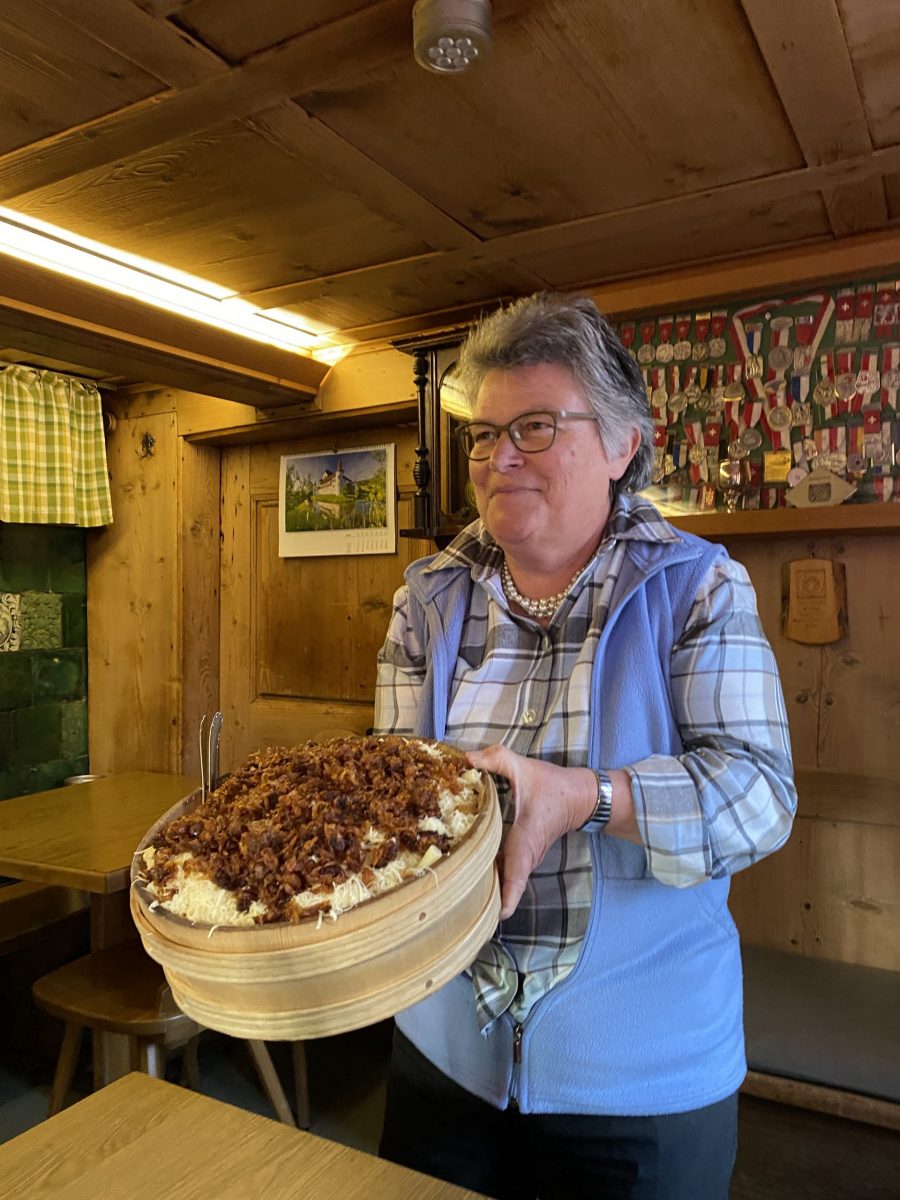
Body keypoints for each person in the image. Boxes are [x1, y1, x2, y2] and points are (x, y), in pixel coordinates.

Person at [374, 292, 796, 1200]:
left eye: (534, 426)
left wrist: (587, 798)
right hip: (441, 1056)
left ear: (621, 445)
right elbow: (394, 792)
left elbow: (760, 798)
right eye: (483, 435)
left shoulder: (699, 588)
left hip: (639, 1086)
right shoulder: (429, 599)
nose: (498, 458)